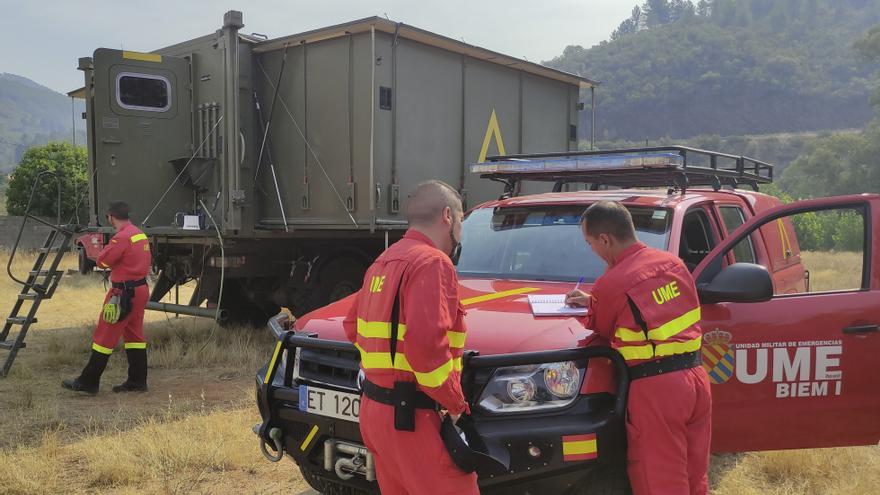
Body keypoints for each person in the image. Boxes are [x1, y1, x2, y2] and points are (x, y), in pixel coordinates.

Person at [565, 201, 711, 495]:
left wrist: (591, 304)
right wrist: (595, 299)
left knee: (659, 477)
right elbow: (653, 308)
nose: (592, 250)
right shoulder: (674, 264)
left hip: (656, 389)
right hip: (696, 379)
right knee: (694, 474)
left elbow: (602, 325)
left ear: (605, 239)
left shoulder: (613, 281)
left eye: (590, 243)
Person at [343, 180, 478, 495]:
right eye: (461, 220)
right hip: (415, 417)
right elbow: (425, 350)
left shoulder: (383, 261)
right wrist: (455, 404)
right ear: (447, 216)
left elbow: (352, 326)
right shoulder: (433, 263)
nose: (461, 230)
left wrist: (387, 370)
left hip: (376, 413)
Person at [62, 201, 152, 395]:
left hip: (122, 294)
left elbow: (102, 262)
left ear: (110, 217)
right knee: (134, 335)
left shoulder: (121, 238)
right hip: (140, 290)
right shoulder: (139, 234)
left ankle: (88, 382)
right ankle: (137, 381)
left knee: (104, 336)